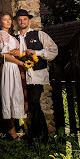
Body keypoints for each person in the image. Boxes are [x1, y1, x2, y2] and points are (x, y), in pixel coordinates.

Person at [13, 9, 58, 140]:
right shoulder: (13, 38)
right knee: (27, 105)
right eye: (20, 19)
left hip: (37, 76)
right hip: (20, 76)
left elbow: (53, 51)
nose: (22, 22)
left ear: (29, 20)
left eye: (25, 19)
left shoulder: (39, 35)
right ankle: (39, 135)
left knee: (34, 102)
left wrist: (37, 53)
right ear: (17, 21)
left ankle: (39, 135)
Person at [0, 12, 27, 140]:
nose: (8, 22)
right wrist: (19, 61)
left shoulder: (10, 36)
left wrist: (15, 54)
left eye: (9, 19)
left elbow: (18, 52)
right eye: (5, 20)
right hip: (9, 68)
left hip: (14, 67)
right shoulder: (1, 34)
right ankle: (12, 132)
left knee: (15, 96)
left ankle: (17, 130)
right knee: (9, 95)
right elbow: (4, 55)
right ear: (0, 23)